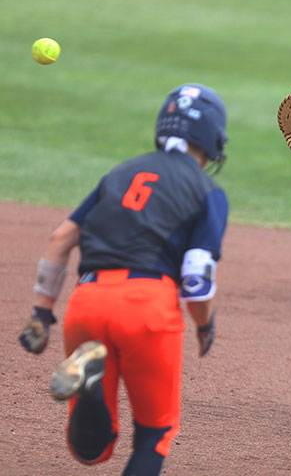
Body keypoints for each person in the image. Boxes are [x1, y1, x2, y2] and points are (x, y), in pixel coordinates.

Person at [18, 83, 230, 475]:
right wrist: (205, 324)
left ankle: (91, 384)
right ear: (213, 137)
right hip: (146, 307)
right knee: (155, 435)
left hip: (86, 302)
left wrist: (41, 312)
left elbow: (60, 238)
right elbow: (198, 280)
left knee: (91, 451)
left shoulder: (119, 173)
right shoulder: (208, 191)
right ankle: (92, 384)